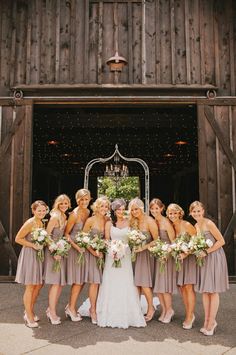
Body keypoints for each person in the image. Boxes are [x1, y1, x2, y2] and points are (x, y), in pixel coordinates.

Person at [96, 198, 146, 328]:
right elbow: (107, 240)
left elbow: (133, 238)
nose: (121, 211)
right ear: (114, 210)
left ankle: (128, 311)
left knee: (126, 281)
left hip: (126, 255)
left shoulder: (129, 222)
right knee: (111, 281)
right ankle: (109, 310)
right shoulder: (109, 223)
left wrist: (123, 249)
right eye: (118, 209)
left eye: (123, 209)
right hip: (111, 255)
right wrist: (113, 249)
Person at [189, 201, 229, 336]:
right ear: (191, 212)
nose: (196, 213)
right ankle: (206, 321)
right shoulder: (196, 225)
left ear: (203, 211)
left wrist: (206, 252)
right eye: (194, 211)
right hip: (204, 259)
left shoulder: (209, 223)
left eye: (199, 211)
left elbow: (221, 241)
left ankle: (212, 322)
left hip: (214, 257)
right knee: (205, 291)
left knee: (213, 291)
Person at [15, 200, 48, 328]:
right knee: (30, 286)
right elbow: (18, 238)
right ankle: (28, 316)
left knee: (38, 284)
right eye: (39, 210)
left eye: (44, 210)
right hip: (29, 255)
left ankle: (29, 310)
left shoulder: (41, 222)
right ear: (33, 211)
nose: (42, 212)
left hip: (38, 256)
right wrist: (33, 245)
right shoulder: (30, 222)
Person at [166, 203, 197, 330]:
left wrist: (186, 253)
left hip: (188, 260)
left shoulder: (187, 225)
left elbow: (196, 241)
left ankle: (190, 316)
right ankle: (189, 314)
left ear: (180, 213)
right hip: (179, 260)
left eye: (174, 213)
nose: (172, 215)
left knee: (189, 287)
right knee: (182, 288)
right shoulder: (172, 226)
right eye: (170, 213)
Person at [128, 197, 159, 321]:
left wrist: (143, 247)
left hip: (146, 255)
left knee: (144, 283)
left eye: (136, 209)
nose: (134, 211)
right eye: (132, 209)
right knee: (136, 284)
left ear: (141, 208)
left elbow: (157, 240)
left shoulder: (149, 221)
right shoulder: (133, 221)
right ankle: (137, 308)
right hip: (135, 254)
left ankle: (150, 308)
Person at [82, 196, 110, 324]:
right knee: (94, 282)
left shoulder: (107, 220)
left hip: (104, 255)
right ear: (96, 207)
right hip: (92, 255)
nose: (104, 208)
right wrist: (94, 252)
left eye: (106, 206)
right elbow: (83, 238)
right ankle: (92, 309)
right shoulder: (90, 220)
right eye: (102, 206)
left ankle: (100, 307)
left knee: (102, 282)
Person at [44, 194, 71, 325]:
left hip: (60, 251)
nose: (64, 205)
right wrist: (53, 250)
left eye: (66, 203)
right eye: (61, 203)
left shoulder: (64, 216)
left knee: (60, 283)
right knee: (55, 283)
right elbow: (47, 236)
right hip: (53, 252)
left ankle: (51, 309)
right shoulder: (55, 217)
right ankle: (52, 312)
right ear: (57, 204)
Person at [65, 188, 91, 322]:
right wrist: (76, 247)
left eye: (86, 199)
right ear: (77, 200)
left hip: (84, 248)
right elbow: (66, 233)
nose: (84, 202)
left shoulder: (87, 212)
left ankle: (70, 305)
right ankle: (72, 309)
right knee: (78, 280)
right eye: (81, 199)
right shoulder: (74, 214)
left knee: (82, 280)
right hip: (75, 250)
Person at [149, 198, 177, 323]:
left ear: (161, 208)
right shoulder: (155, 221)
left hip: (166, 256)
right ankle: (164, 310)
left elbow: (174, 242)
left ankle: (169, 310)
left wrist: (166, 253)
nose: (154, 211)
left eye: (157, 208)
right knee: (159, 286)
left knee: (165, 285)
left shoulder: (166, 222)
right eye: (152, 208)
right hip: (158, 256)